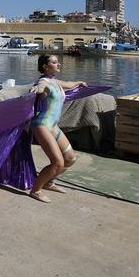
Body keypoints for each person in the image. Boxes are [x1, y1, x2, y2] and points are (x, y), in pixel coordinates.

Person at [28, 55, 87, 203]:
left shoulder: (55, 81)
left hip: (52, 126)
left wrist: (79, 82)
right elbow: (41, 87)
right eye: (54, 62)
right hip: (41, 125)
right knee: (57, 163)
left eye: (57, 61)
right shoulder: (44, 81)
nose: (58, 64)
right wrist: (37, 88)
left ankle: (49, 182)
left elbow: (69, 84)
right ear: (45, 67)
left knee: (70, 158)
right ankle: (35, 190)